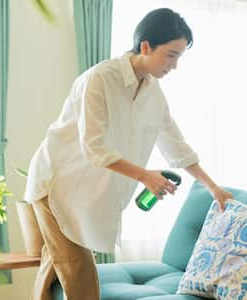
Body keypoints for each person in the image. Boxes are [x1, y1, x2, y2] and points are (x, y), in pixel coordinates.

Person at [24, 7, 233, 300]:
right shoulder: (99, 80)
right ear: (146, 46)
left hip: (84, 196)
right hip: (56, 187)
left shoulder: (152, 93)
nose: (174, 66)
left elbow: (177, 146)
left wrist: (213, 188)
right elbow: (94, 147)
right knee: (79, 274)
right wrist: (146, 176)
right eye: (171, 55)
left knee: (55, 266)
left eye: (179, 57)